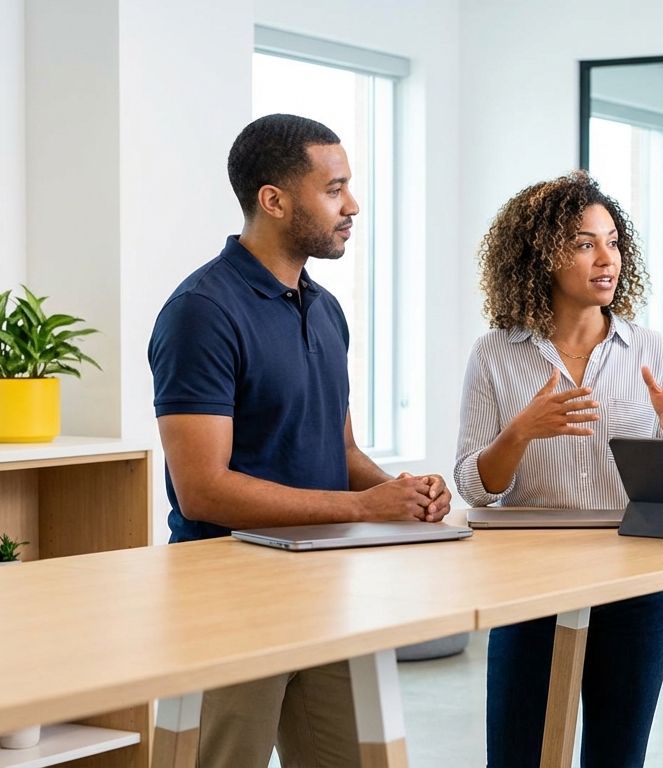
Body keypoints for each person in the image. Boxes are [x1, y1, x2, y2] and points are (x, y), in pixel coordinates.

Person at [148, 113, 450, 768]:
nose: (354, 206)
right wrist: (363, 510)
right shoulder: (203, 310)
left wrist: (399, 490)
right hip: (228, 599)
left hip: (326, 588)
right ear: (275, 200)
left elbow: (338, 455)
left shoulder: (327, 308)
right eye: (334, 189)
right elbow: (202, 490)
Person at [455, 170, 663, 768]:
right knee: (518, 754)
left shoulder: (652, 351)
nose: (605, 258)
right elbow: (473, 488)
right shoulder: (495, 353)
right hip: (531, 584)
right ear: (540, 255)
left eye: (612, 241)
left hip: (634, 585)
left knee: (618, 756)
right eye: (585, 243)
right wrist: (519, 432)